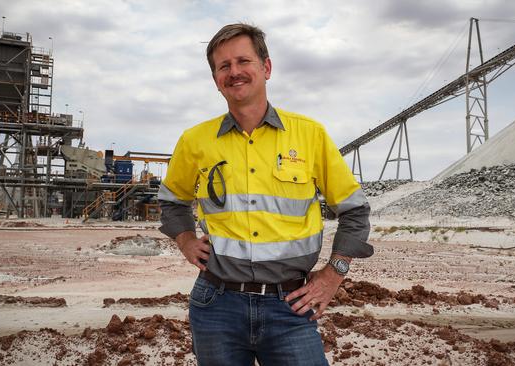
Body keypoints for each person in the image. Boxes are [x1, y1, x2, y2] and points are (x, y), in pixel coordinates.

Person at [158, 23, 372, 365]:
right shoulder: (195, 141)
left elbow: (356, 211)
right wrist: (184, 239)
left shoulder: (310, 135)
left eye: (243, 61)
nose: (234, 72)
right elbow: (171, 202)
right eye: (223, 66)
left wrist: (333, 275)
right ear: (215, 79)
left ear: (266, 68)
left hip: (290, 306)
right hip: (216, 306)